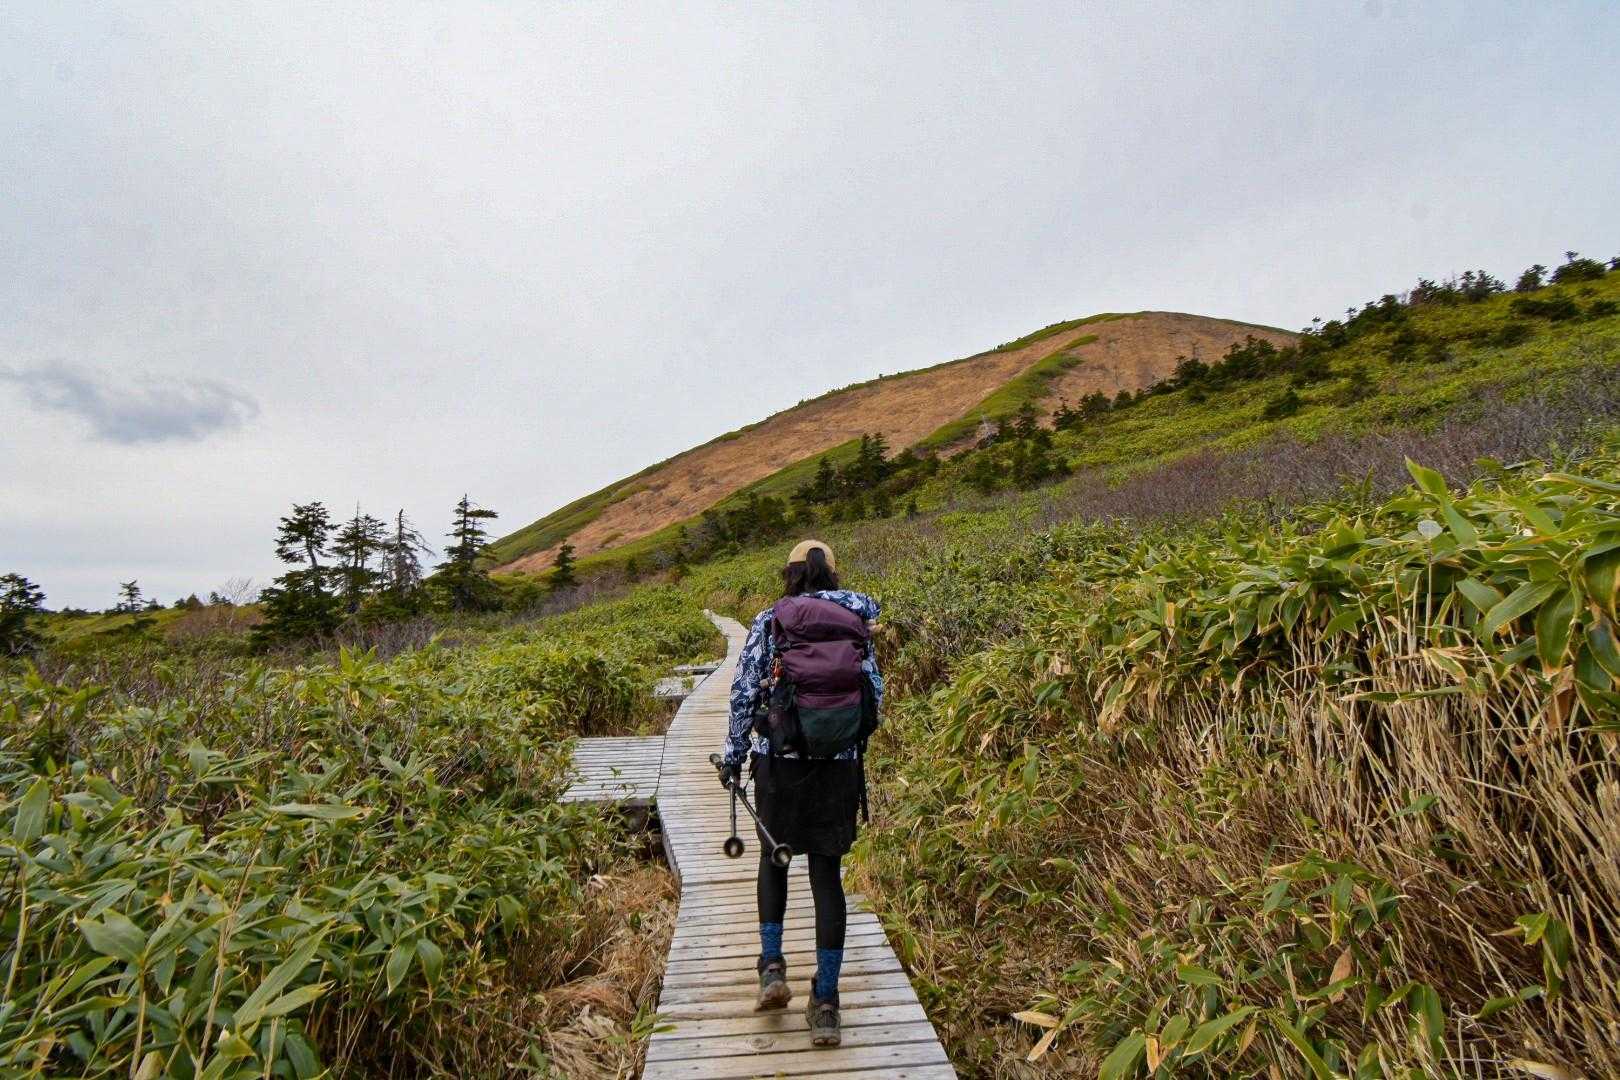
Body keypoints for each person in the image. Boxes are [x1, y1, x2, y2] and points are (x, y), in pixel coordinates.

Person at [717, 539, 882, 1047]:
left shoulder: (771, 619)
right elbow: (873, 691)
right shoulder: (857, 620)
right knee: (827, 877)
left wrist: (733, 755)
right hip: (838, 767)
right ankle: (826, 1002)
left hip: (780, 762)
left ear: (789, 575)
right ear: (832, 575)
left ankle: (771, 967)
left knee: (774, 861)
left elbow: (744, 691)